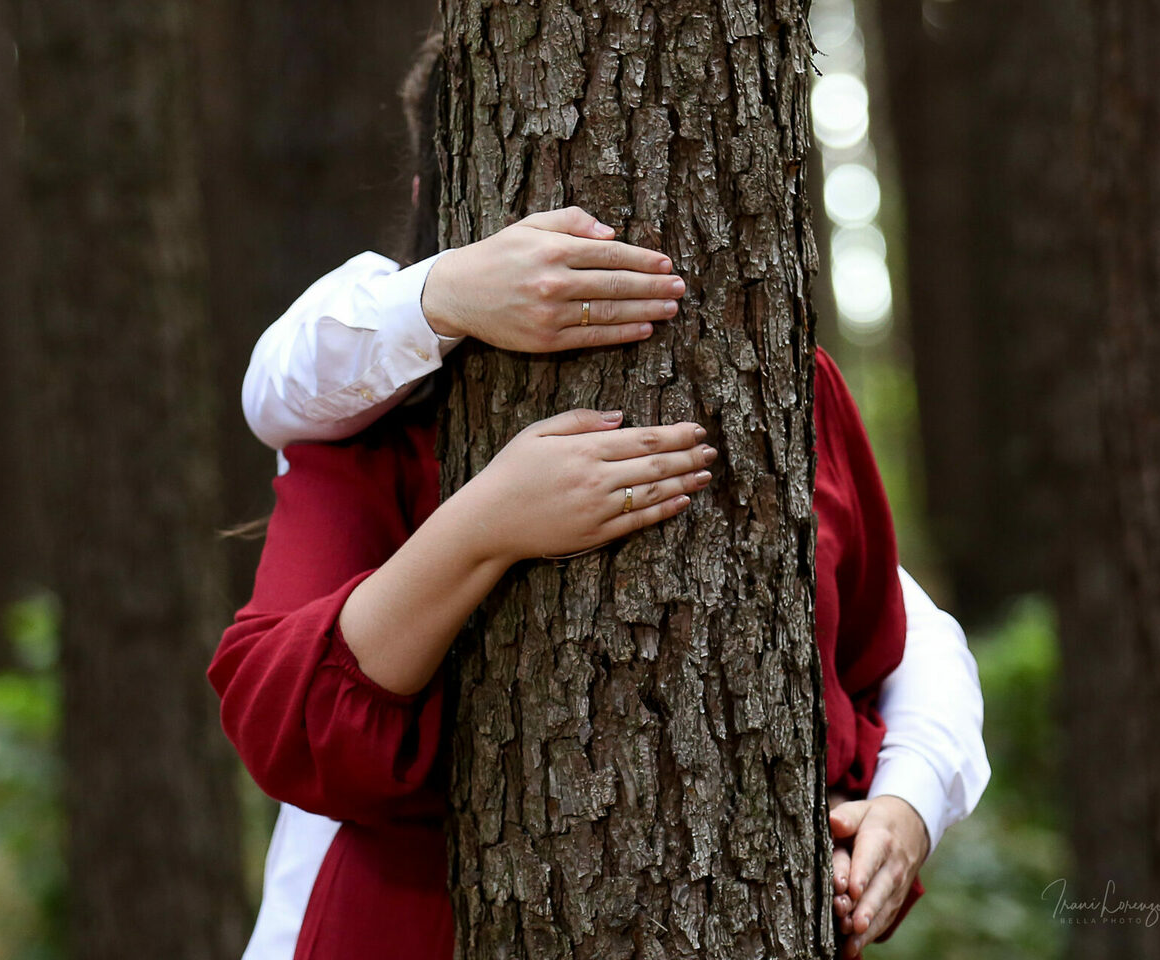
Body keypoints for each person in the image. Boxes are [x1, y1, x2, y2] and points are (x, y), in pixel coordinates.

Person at [215, 35, 987, 960]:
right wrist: (485, 524)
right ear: (439, 200)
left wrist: (907, 799)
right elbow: (282, 719)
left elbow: (893, 628)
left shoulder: (783, 388)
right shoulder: (370, 422)